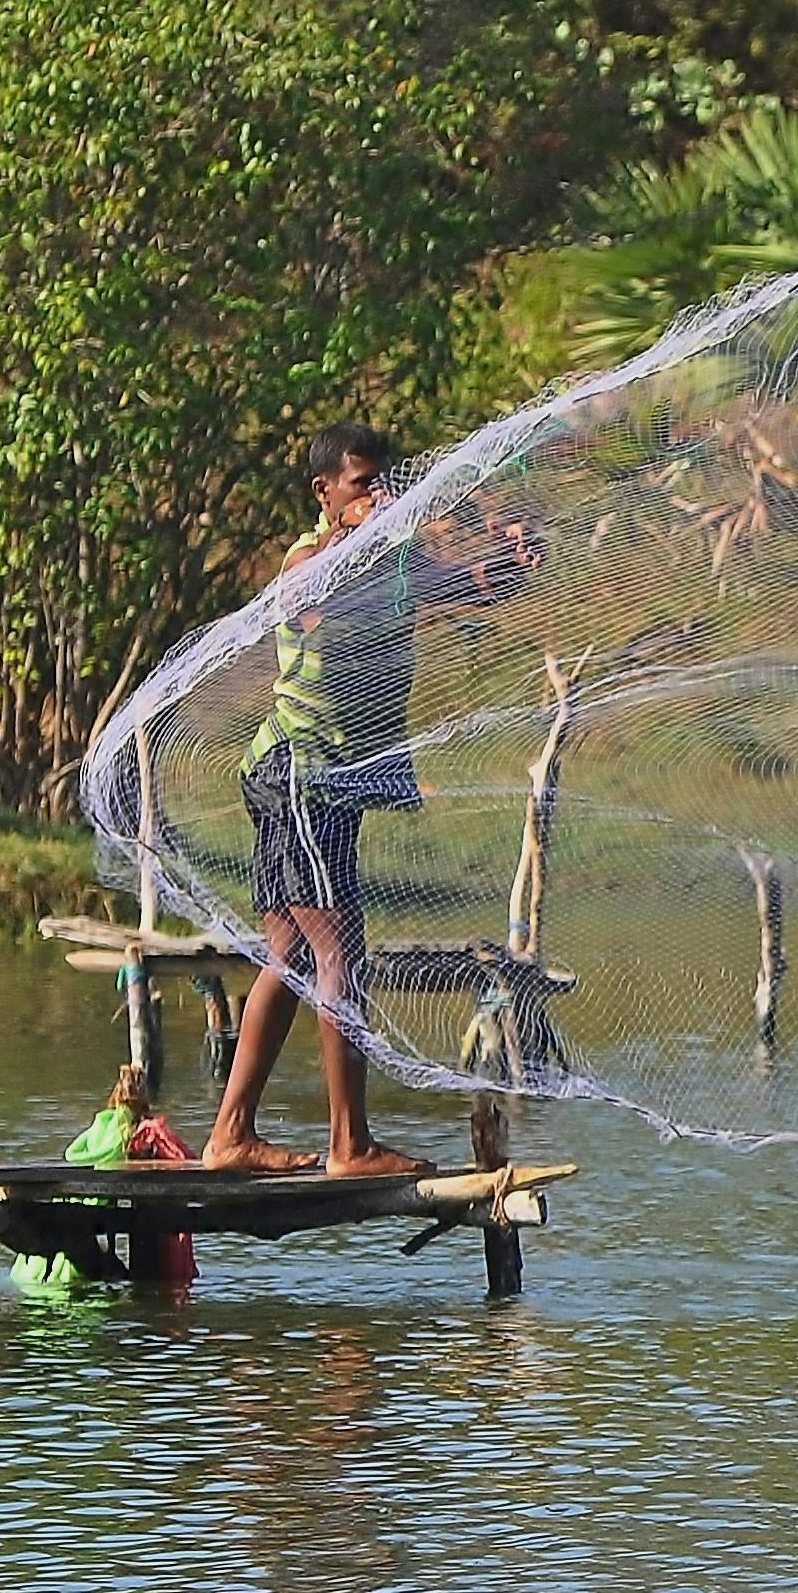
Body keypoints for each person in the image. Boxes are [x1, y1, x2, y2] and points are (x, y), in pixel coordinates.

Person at [203, 424, 530, 1175]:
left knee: (286, 955)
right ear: (325, 494)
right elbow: (311, 606)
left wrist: (512, 557)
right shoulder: (309, 557)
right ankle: (349, 1145)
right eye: (361, 486)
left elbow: (475, 588)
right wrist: (361, 538)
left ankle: (229, 1135)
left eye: (384, 482)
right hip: (298, 773)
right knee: (339, 955)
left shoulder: (397, 561)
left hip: (327, 777)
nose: (379, 496)